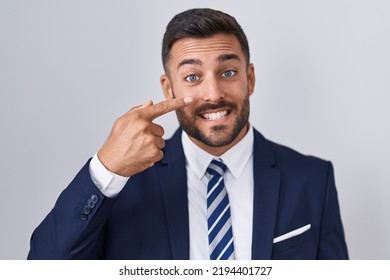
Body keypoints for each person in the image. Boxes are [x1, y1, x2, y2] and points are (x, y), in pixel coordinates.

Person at [28, 8, 348, 260]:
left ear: (249, 79)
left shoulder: (312, 179)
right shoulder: (121, 185)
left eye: (228, 72)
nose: (213, 93)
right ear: (168, 88)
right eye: (193, 76)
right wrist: (106, 167)